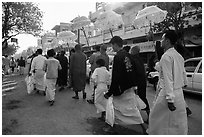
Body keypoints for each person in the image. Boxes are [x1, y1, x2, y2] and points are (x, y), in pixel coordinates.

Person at [148, 30, 188, 135]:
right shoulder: (178, 56)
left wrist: (170, 99)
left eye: (162, 38)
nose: (161, 41)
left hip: (167, 93)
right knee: (176, 121)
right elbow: (180, 73)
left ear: (167, 41)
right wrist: (157, 63)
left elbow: (168, 78)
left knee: (155, 118)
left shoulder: (166, 56)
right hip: (178, 93)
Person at [104, 36, 146, 134]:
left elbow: (116, 76)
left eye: (112, 45)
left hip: (121, 88)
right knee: (132, 110)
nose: (112, 47)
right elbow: (135, 71)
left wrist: (110, 92)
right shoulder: (129, 55)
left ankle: (111, 126)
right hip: (129, 87)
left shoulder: (118, 57)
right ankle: (143, 128)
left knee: (113, 108)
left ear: (115, 44)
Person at [130, 46, 150, 118]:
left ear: (134, 51)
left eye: (131, 51)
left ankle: (146, 113)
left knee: (139, 97)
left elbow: (134, 71)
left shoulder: (133, 60)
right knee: (141, 97)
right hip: (142, 81)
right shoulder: (140, 59)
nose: (130, 52)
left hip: (137, 82)